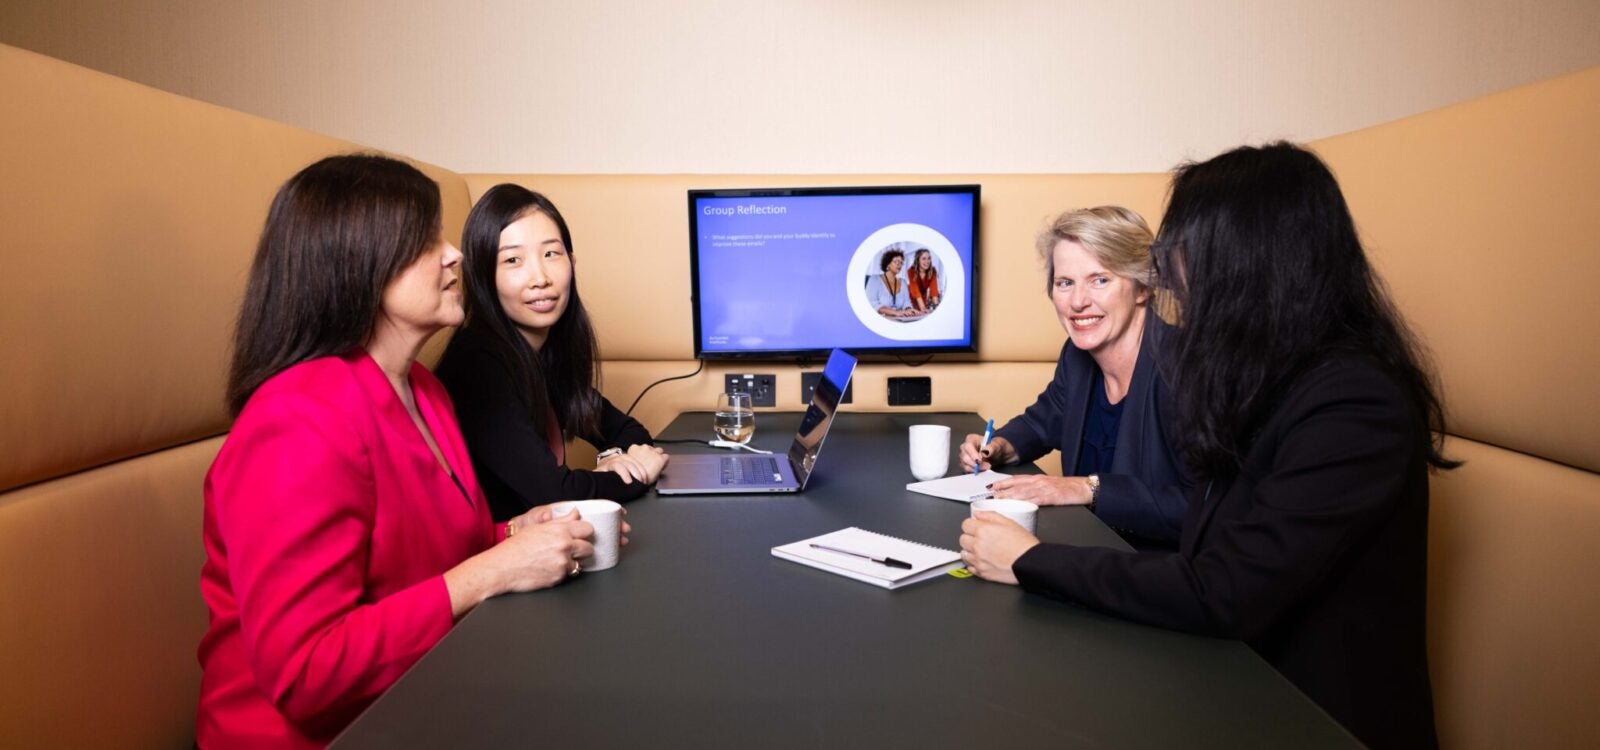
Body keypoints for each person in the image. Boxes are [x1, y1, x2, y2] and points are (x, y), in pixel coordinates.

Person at [959, 143, 1451, 749]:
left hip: (1304, 714)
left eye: (1181, 255)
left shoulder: (1353, 403)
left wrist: (1031, 560)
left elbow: (1226, 589)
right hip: (1220, 673)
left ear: (1250, 262)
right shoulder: (1266, 378)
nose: (1171, 279)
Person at [197, 155, 613, 748]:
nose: (455, 255)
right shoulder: (294, 421)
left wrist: (518, 533)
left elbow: (425, 555)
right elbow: (305, 670)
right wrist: (491, 570)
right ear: (358, 265)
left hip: (423, 701)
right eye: (426, 241)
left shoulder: (426, 391)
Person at [958, 206, 1188, 548]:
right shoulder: (1077, 357)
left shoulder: (1187, 368)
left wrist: (1083, 488)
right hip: (1091, 555)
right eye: (1064, 283)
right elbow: (1044, 421)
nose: (1078, 302)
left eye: (1100, 280)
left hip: (1160, 578)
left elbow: (1205, 508)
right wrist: (999, 447)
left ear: (1143, 287)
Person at [435, 184, 667, 522]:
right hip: (500, 560)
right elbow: (555, 495)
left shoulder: (542, 358)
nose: (540, 278)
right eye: (513, 260)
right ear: (485, 277)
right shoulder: (478, 365)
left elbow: (628, 431)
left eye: (551, 254)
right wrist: (634, 475)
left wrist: (613, 456)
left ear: (572, 263)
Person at [865, 248, 915, 318]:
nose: (899, 264)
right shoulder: (874, 279)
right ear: (888, 264)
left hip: (900, 319)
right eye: (896, 261)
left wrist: (909, 309)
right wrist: (896, 312)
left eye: (901, 262)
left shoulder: (903, 282)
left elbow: (906, 302)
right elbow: (872, 304)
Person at [907, 248, 941, 312]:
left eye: (929, 258)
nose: (927, 261)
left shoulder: (933, 271)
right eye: (924, 258)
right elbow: (915, 290)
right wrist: (922, 308)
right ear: (918, 260)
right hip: (911, 297)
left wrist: (937, 306)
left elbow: (934, 290)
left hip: (923, 298)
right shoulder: (911, 271)